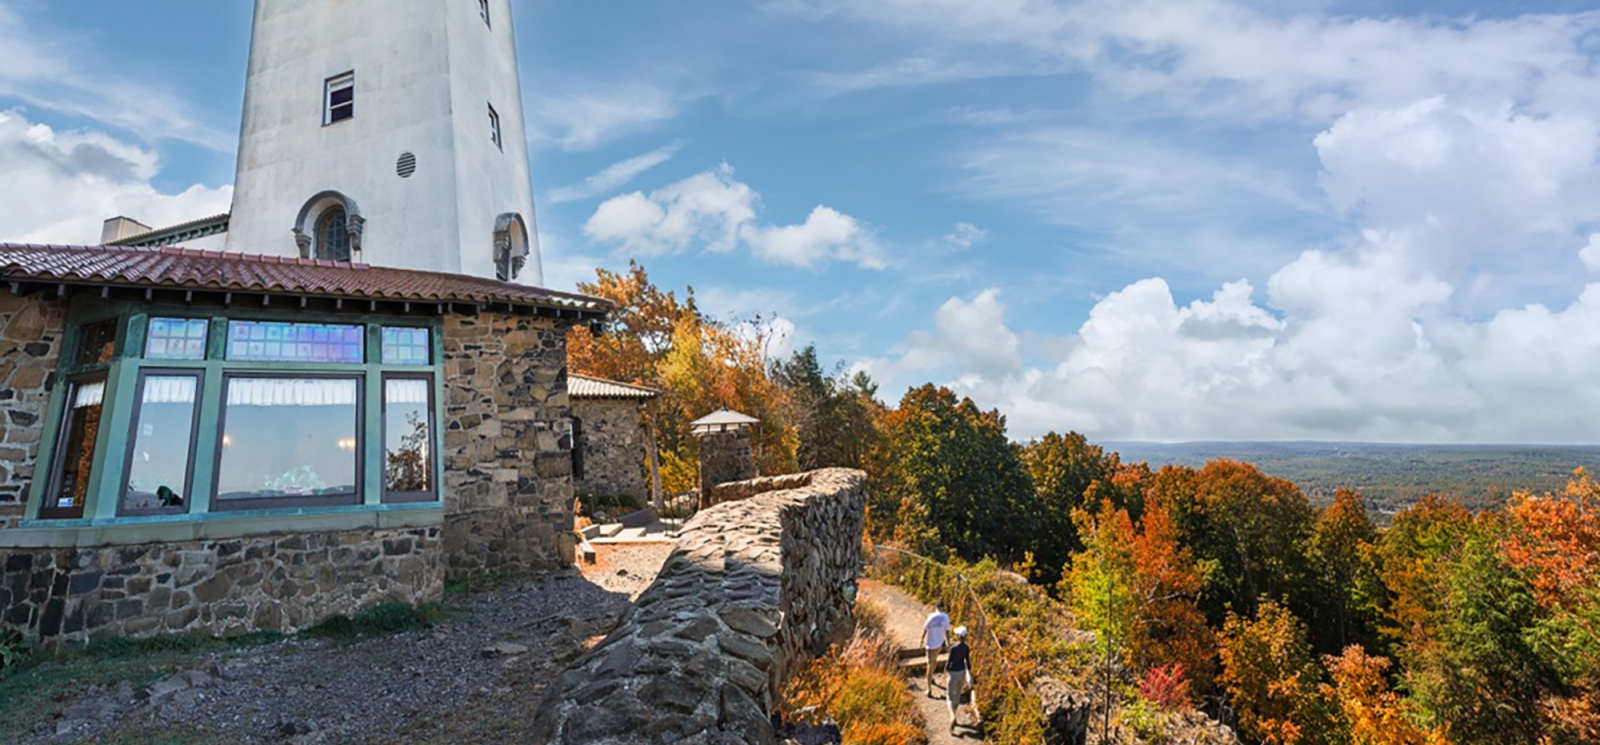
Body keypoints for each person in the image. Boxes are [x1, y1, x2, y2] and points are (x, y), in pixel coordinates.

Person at [946, 626, 976, 734]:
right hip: (962, 673)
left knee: (949, 696)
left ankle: (952, 716)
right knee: (957, 695)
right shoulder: (967, 648)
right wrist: (970, 676)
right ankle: (955, 712)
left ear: (958, 636)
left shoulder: (953, 648)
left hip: (953, 672)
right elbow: (968, 663)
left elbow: (949, 663)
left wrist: (947, 670)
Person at [921, 602, 951, 696]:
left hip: (931, 644)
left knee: (929, 665)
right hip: (939, 643)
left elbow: (925, 628)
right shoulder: (945, 617)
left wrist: (922, 639)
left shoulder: (931, 616)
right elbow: (947, 631)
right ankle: (932, 678)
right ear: (943, 607)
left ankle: (929, 689)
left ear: (935, 607)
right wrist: (948, 643)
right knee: (934, 661)